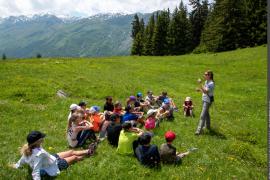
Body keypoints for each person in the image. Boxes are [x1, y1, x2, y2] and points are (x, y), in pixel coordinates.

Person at [10, 131, 96, 180]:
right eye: (41, 137)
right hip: (51, 167)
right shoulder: (38, 154)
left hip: (50, 159)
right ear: (38, 141)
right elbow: (36, 171)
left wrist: (17, 165)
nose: (43, 138)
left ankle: (88, 150)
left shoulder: (29, 147)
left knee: (71, 151)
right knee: (74, 157)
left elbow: (22, 159)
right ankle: (88, 154)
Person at [195, 70, 215, 135]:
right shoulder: (207, 81)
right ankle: (208, 126)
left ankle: (199, 131)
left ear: (209, 75)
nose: (204, 75)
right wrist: (200, 90)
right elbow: (204, 91)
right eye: (204, 74)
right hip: (204, 99)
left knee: (202, 115)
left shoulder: (211, 83)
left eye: (206, 74)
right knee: (206, 113)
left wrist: (200, 84)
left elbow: (206, 91)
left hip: (207, 101)